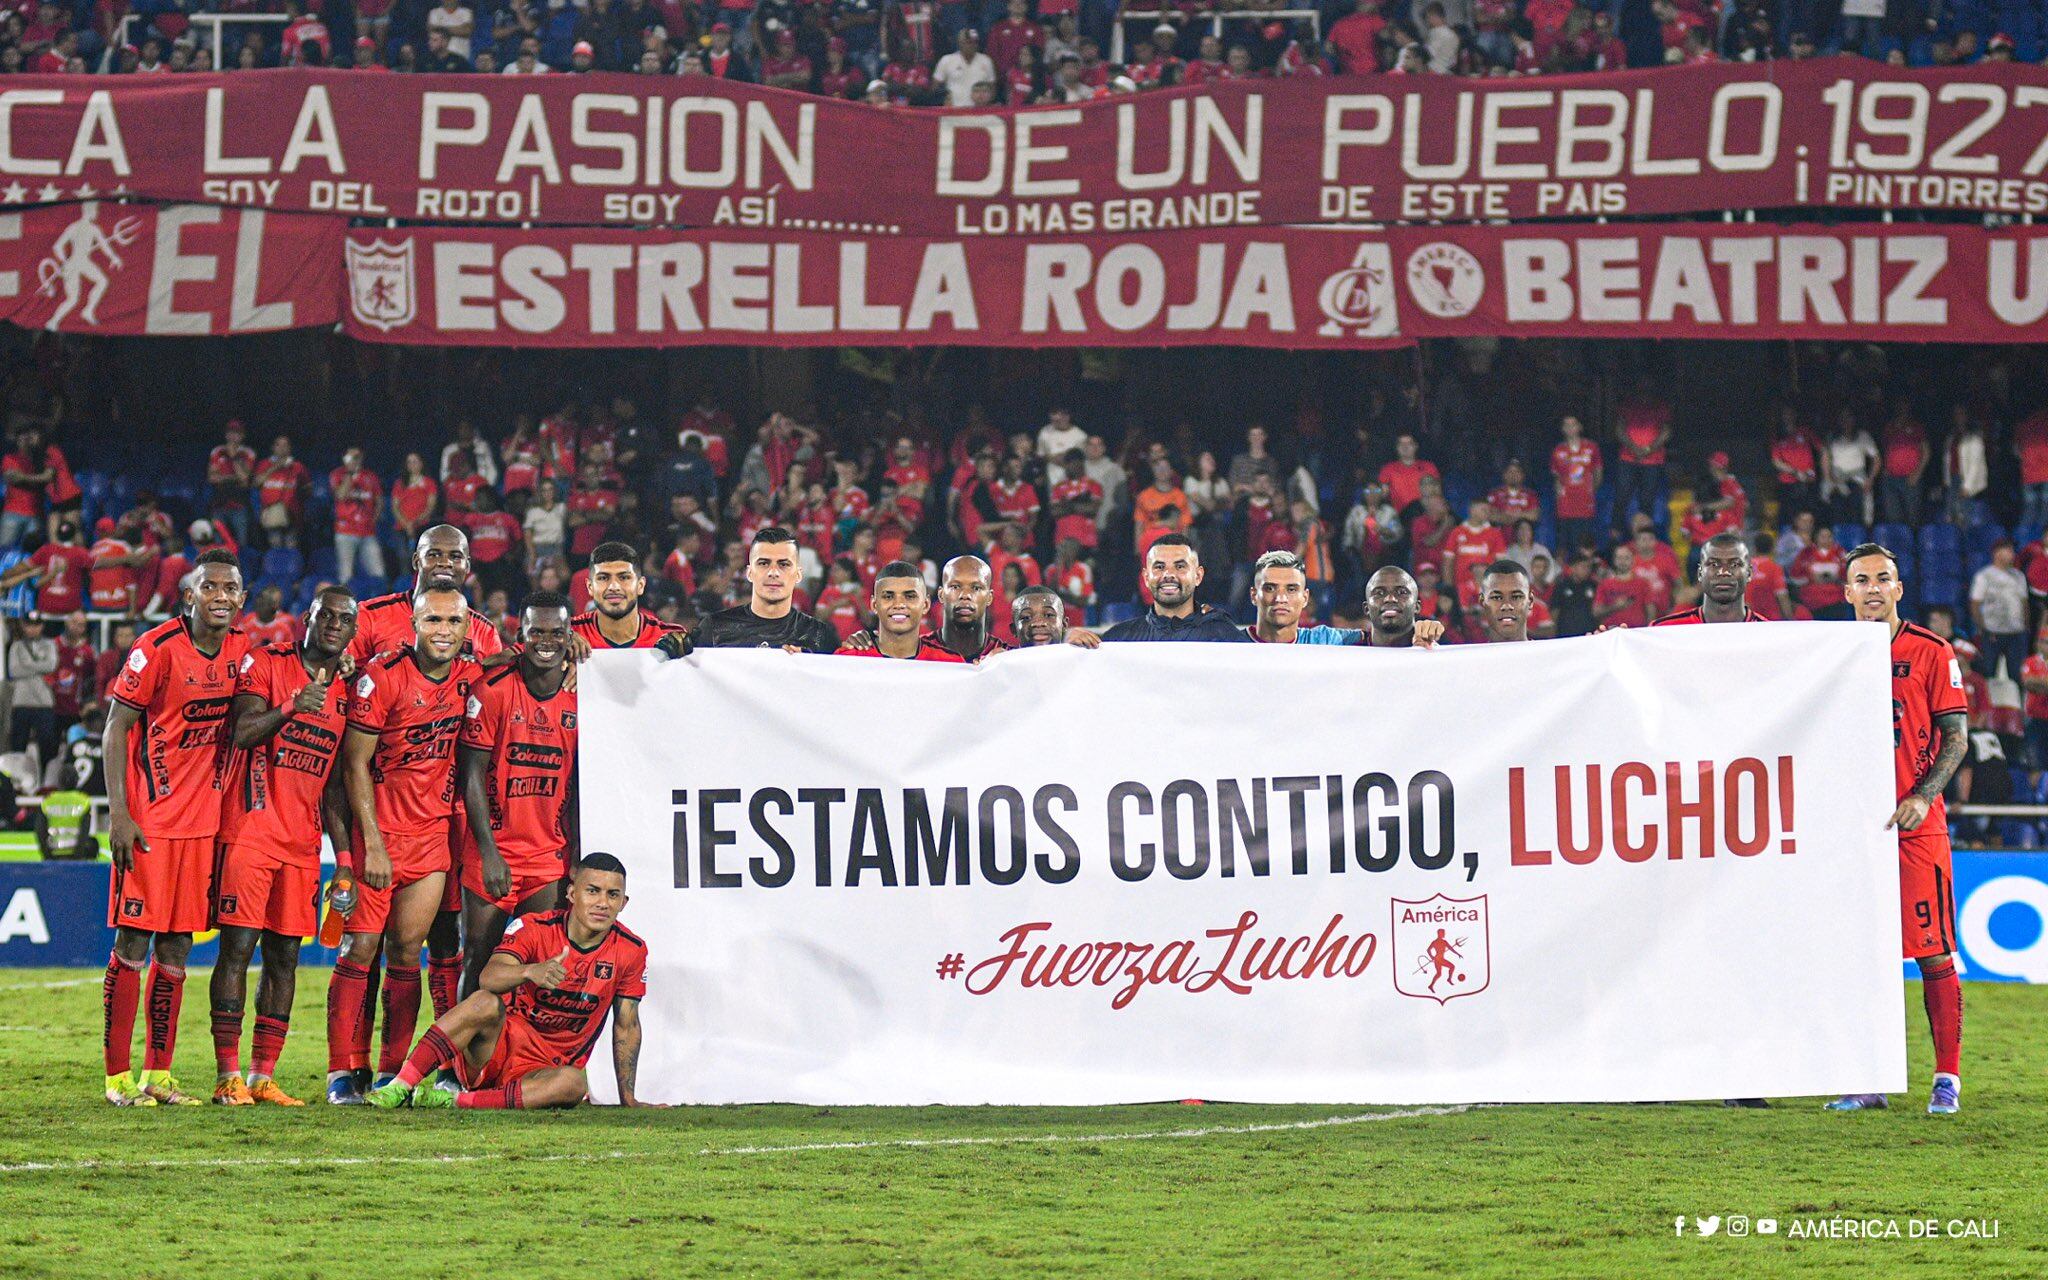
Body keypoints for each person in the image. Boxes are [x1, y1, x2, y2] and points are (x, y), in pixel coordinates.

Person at [100, 548, 249, 1106]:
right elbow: (116, 728)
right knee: (134, 943)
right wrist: (119, 812)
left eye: (230, 589)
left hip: (203, 826)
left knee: (178, 949)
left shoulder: (241, 650)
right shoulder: (155, 649)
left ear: (240, 599)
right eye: (209, 587)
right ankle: (117, 1080)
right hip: (150, 823)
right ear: (189, 595)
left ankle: (158, 1076)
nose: (220, 597)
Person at [329, 585, 485, 1105]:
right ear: (414, 624)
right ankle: (341, 1073)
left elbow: (522, 667)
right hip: (381, 835)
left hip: (431, 839)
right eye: (433, 620)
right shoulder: (383, 676)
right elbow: (353, 764)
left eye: (453, 622)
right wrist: (371, 844)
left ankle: (390, 1075)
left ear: (467, 628)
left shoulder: (471, 676)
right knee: (359, 949)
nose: (443, 631)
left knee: (405, 953)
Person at [1827, 544, 1967, 1116]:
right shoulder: (1825, 654)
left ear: (1899, 588)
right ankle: (1870, 1079)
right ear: (1847, 592)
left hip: (1915, 831)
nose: (1873, 589)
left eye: (1884, 578)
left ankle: (1947, 1078)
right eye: (1861, 580)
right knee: (1861, 957)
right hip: (1850, 835)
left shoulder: (1932, 652)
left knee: (1932, 955)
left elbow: (1955, 738)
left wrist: (1922, 795)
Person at [209, 586, 358, 1107]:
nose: (335, 625)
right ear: (308, 620)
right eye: (326, 616)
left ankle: (261, 1076)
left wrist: (344, 860)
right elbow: (242, 732)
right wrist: (293, 706)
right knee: (237, 949)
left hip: (300, 843)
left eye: (345, 619)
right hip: (250, 831)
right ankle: (227, 1075)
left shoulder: (347, 689)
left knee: (285, 958)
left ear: (353, 632)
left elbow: (336, 785)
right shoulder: (266, 664)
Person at [366, 854, 651, 1110]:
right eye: (593, 891)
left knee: (574, 1084)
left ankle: (456, 1101)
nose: (603, 903)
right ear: (572, 893)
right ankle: (399, 1087)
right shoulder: (535, 928)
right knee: (483, 1001)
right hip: (492, 1052)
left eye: (613, 895)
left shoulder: (631, 950)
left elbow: (627, 1024)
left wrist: (629, 1098)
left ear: (623, 903)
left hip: (544, 1072)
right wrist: (529, 972)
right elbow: (488, 977)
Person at [458, 591, 578, 999]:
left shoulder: (583, 697)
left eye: (556, 633)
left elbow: (579, 786)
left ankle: (519, 1062)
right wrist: (489, 852)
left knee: (540, 960)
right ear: (520, 636)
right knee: (478, 957)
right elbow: (470, 775)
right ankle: (458, 1063)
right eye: (536, 632)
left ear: (570, 635)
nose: (546, 641)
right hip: (495, 850)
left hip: (548, 856)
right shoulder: (492, 689)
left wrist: (574, 856)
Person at [689, 527, 839, 653]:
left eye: (784, 564)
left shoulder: (819, 636)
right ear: (749, 573)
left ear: (798, 574)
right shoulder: (714, 629)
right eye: (763, 563)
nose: (773, 572)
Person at [1102, 535, 1249, 643]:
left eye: (1180, 567)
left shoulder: (1225, 637)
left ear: (1198, 576)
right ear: (1146, 578)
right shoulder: (1120, 638)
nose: (1169, 574)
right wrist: (1079, 650)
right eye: (1159, 567)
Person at [838, 563, 966, 662]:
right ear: (874, 605)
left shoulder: (949, 663)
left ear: (925, 605)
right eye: (888, 596)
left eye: (909, 596)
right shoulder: (848, 659)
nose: (898, 604)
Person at [573, 542, 684, 650]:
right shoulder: (569, 634)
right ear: (590, 587)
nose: (614, 587)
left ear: (640, 585)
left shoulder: (671, 638)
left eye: (624, 577)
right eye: (603, 578)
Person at [1247, 551, 1360, 644]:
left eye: (1291, 590)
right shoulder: (1233, 643)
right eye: (1270, 588)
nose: (1280, 598)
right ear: (1254, 595)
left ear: (1305, 598)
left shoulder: (1325, 641)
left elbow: (1375, 640)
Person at [1653, 532, 1764, 625]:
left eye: (1734, 564)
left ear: (1749, 573)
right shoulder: (1666, 630)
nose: (1723, 572)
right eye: (1714, 564)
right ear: (1700, 573)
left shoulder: (1769, 635)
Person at [1967, 540, 2028, 681]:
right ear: (1997, 553)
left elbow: (2024, 603)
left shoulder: (2019, 576)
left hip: (2015, 632)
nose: (2012, 554)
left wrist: (2025, 625)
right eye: (2009, 550)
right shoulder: (1984, 576)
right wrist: (1984, 629)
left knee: (2017, 674)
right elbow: (1975, 604)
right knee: (1990, 671)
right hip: (1993, 632)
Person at [331, 447, 386, 584]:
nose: (354, 460)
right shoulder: (337, 474)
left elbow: (379, 501)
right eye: (351, 457)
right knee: (345, 574)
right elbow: (341, 495)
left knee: (378, 572)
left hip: (367, 532)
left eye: (357, 456)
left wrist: (373, 519)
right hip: (345, 531)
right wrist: (349, 474)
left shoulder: (371, 476)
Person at [1361, 566, 1446, 648]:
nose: (1390, 599)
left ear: (1417, 606)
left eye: (1402, 592)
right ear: (1366, 608)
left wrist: (1431, 649)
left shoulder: (1438, 646)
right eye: (1379, 593)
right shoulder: (1351, 651)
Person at [1474, 561, 1534, 643]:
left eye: (1516, 597)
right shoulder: (1470, 655)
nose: (1506, 605)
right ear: (1482, 602)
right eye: (1497, 597)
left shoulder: (1549, 655)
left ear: (1530, 601)